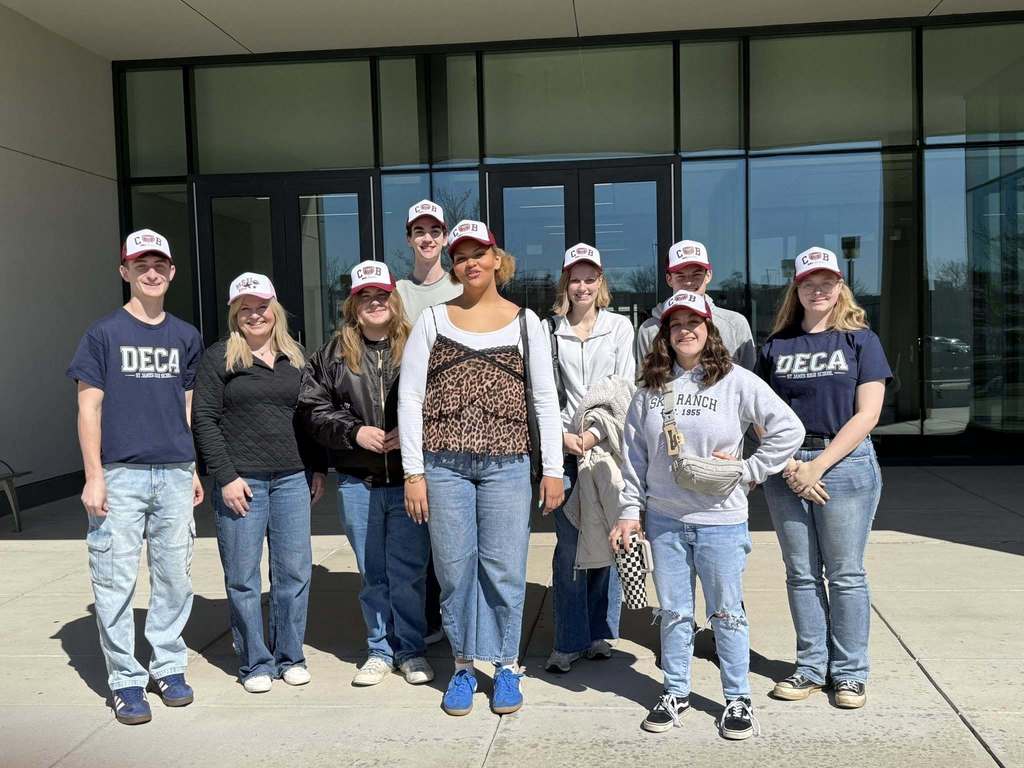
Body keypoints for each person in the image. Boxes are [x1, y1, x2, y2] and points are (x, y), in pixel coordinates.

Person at [612, 289, 804, 740]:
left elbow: (787, 428)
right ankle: (675, 692)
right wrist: (629, 511)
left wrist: (749, 470)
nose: (686, 330)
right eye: (677, 324)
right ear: (666, 334)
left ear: (708, 328)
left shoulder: (735, 380)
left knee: (726, 614)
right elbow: (633, 456)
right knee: (676, 613)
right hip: (665, 520)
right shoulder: (650, 388)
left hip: (721, 519)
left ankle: (738, 699)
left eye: (693, 322)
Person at [398, 219, 564, 717]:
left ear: (496, 259)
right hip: (443, 466)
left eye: (479, 253)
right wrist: (414, 472)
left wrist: (551, 468)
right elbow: (410, 398)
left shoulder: (525, 323)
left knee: (504, 570)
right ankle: (465, 666)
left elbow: (544, 399)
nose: (470, 262)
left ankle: (507, 666)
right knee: (454, 572)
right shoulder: (433, 320)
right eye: (461, 255)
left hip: (508, 466)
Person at [67, 229, 204, 725]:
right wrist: (94, 476)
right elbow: (89, 406)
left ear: (171, 273)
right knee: (115, 581)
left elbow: (187, 404)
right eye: (140, 264)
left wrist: (190, 467)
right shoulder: (102, 334)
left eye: (159, 264)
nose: (151, 272)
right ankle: (126, 681)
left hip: (172, 474)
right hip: (120, 475)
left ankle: (168, 667)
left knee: (174, 580)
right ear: (125, 271)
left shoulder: (186, 336)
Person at [758, 247, 891, 710]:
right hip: (787, 467)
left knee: (845, 573)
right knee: (800, 574)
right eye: (809, 282)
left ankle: (850, 674)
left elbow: (868, 413)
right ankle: (811, 668)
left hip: (846, 464)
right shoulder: (776, 345)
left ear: (840, 287)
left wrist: (819, 465)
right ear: (796, 288)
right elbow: (761, 414)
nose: (819, 289)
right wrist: (793, 466)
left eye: (827, 281)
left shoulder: (860, 340)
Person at [298, 260, 435, 688]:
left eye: (381, 295)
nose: (374, 303)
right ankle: (379, 649)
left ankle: (411, 649)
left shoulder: (419, 345)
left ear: (393, 300)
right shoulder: (333, 354)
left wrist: (412, 433)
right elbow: (312, 409)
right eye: (365, 297)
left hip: (409, 481)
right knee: (372, 572)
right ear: (353, 306)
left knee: (409, 573)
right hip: (359, 482)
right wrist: (355, 433)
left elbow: (442, 401)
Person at [192, 272, 326, 694]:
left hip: (291, 478)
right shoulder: (220, 358)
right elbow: (204, 420)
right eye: (244, 308)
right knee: (244, 577)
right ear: (235, 314)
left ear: (275, 310)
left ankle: (291, 655)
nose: (255, 314)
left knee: (293, 572)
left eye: (261, 306)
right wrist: (226, 477)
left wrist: (317, 467)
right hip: (242, 481)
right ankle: (255, 662)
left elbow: (310, 417)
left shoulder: (296, 356)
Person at [544, 244, 635, 673]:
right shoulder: (549, 331)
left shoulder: (619, 328)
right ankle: (568, 639)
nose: (582, 286)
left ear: (601, 282)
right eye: (575, 278)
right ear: (566, 282)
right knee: (570, 547)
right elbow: (541, 394)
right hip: (563, 450)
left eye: (590, 278)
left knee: (607, 537)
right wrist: (561, 437)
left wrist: (596, 432)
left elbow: (623, 387)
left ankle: (600, 633)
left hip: (607, 446)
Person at [394, 199, 461, 646]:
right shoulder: (397, 292)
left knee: (447, 524)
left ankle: (445, 612)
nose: (427, 238)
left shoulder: (460, 286)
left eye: (434, 231)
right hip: (411, 410)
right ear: (409, 239)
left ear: (444, 237)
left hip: (452, 417)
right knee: (418, 523)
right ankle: (422, 615)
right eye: (419, 231)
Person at [635, 240, 755, 374]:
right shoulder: (649, 329)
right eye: (680, 276)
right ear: (669, 279)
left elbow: (750, 381)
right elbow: (645, 384)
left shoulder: (735, 324)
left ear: (708, 275)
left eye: (696, 274)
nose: (688, 282)